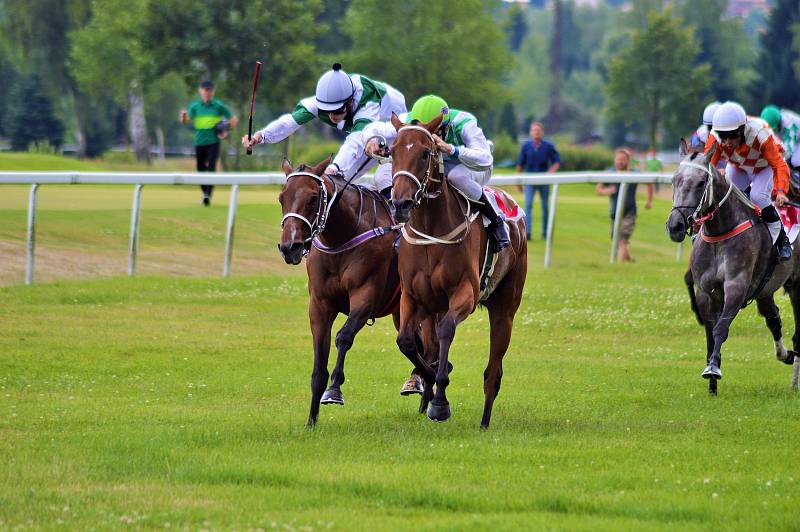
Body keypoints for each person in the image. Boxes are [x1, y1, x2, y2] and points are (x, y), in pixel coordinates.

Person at [364, 94, 510, 251]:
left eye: (435, 133)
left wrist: (451, 149)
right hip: (431, 161)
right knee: (382, 174)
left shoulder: (464, 123)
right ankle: (400, 218)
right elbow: (375, 128)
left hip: (471, 165)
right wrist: (371, 140)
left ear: (446, 126)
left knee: (456, 177)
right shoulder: (407, 119)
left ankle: (496, 220)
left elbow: (485, 159)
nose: (430, 138)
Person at [242, 63, 406, 196]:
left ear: (350, 102)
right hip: (367, 136)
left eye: (336, 110)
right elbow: (289, 122)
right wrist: (259, 136)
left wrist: (331, 170)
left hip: (397, 132)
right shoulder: (321, 102)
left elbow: (355, 142)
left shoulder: (366, 102)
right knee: (338, 186)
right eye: (327, 110)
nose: (331, 116)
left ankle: (398, 227)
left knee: (382, 178)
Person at [705, 101, 792, 261]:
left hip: (764, 167)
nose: (728, 141)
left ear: (742, 129)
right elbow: (707, 166)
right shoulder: (716, 136)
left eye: (732, 135)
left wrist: (780, 191)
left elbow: (779, 164)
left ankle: (782, 241)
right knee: (725, 193)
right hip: (739, 166)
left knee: (758, 197)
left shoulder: (760, 133)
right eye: (724, 136)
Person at [180, 80, 237, 206]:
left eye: (209, 90)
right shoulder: (195, 106)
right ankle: (205, 192)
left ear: (213, 92)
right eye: (205, 90)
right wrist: (183, 117)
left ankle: (207, 195)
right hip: (199, 142)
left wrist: (226, 131)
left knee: (211, 167)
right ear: (201, 91)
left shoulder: (218, 105)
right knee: (200, 168)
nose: (207, 92)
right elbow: (185, 121)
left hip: (213, 142)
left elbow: (233, 119)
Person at [595, 148, 654, 263]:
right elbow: (598, 189)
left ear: (628, 160)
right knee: (617, 238)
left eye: (622, 159)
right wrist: (607, 191)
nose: (619, 162)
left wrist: (649, 201)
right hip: (614, 212)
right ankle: (629, 258)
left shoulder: (634, 173)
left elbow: (649, 182)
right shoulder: (610, 173)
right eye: (617, 159)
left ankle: (620, 265)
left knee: (623, 237)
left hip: (630, 211)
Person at [515, 121, 560, 240]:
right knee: (528, 205)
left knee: (545, 206)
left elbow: (557, 161)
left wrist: (550, 173)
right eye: (534, 130)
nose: (536, 133)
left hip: (543, 179)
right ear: (531, 132)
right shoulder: (526, 146)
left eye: (538, 130)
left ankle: (546, 232)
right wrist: (518, 182)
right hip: (529, 178)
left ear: (542, 132)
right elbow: (520, 164)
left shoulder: (548, 146)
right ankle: (528, 232)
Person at [760, 105, 800, 170]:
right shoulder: (776, 118)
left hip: (797, 138)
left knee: (795, 161)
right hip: (796, 138)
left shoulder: (790, 125)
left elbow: (787, 152)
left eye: (773, 129)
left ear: (779, 123)